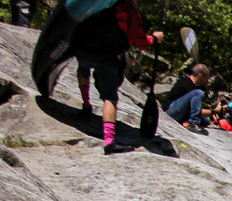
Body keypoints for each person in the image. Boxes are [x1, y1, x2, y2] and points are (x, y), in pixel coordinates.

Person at [69, 0, 162, 154]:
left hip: (82, 48)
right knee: (110, 98)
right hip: (106, 55)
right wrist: (154, 38)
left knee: (83, 70)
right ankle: (109, 142)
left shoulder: (97, 2)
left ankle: (86, 106)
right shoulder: (129, 12)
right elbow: (141, 42)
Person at [165, 64, 212, 132]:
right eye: (206, 78)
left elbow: (195, 110)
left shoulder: (194, 87)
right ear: (200, 76)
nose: (207, 81)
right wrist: (213, 112)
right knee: (198, 93)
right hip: (170, 112)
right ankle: (193, 123)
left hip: (179, 113)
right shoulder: (185, 84)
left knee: (206, 119)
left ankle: (190, 122)